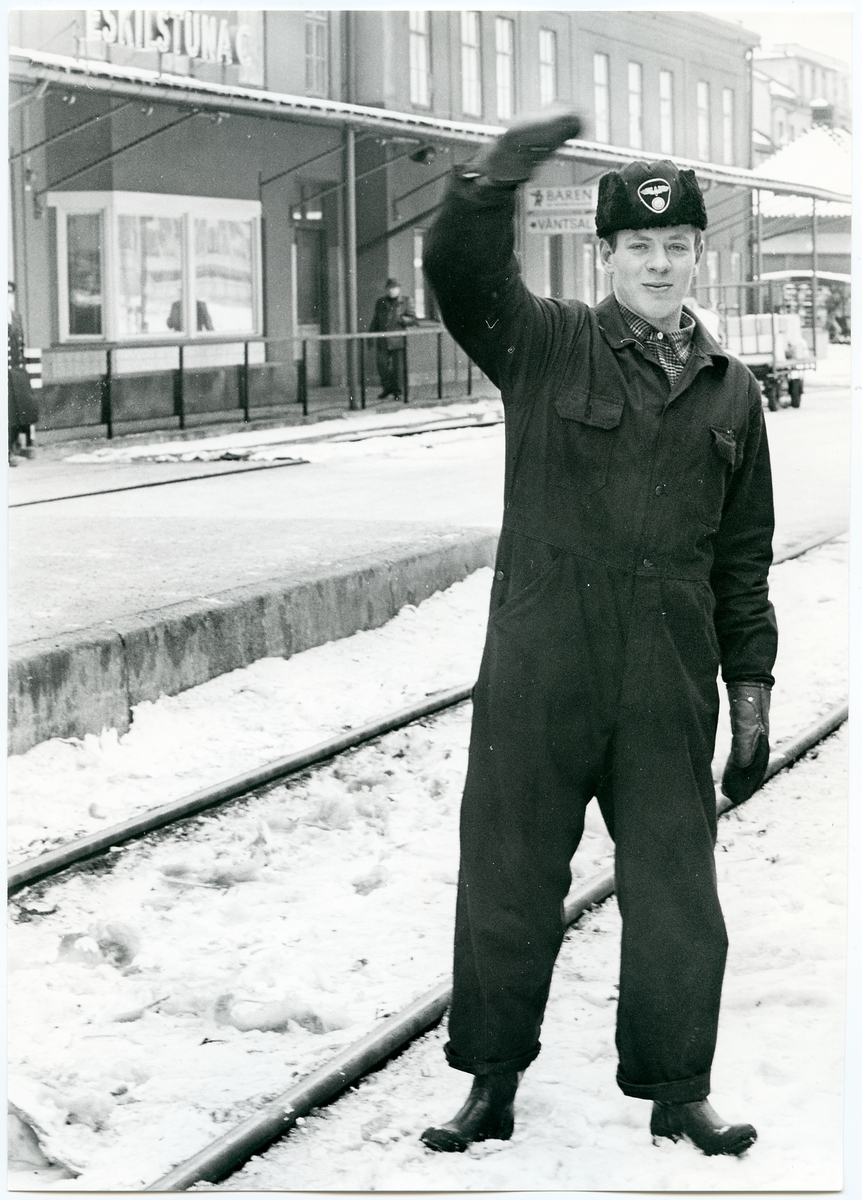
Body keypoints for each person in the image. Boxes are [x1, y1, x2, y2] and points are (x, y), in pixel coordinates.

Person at [420, 111, 776, 1157]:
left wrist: (749, 691)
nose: (658, 262)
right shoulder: (545, 343)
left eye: (676, 246)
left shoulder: (732, 389)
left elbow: (741, 562)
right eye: (638, 247)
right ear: (605, 255)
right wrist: (493, 178)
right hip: (541, 657)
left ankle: (677, 1089)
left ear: (696, 254)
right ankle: (490, 1083)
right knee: (508, 874)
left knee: (676, 889)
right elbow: (459, 272)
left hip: (666, 665)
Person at [369, 278, 417, 400]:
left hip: (398, 340)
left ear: (399, 289)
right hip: (383, 339)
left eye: (394, 288)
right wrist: (370, 336)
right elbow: (376, 320)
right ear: (387, 289)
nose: (392, 291)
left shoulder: (406, 301)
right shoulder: (381, 302)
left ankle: (397, 391)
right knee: (382, 366)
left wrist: (402, 319)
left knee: (398, 369)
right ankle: (387, 389)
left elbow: (413, 320)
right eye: (390, 288)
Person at [7, 282, 39, 466]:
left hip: (17, 373)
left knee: (19, 412)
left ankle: (13, 447)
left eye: (11, 295)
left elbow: (21, 345)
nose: (8, 298)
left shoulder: (15, 317)